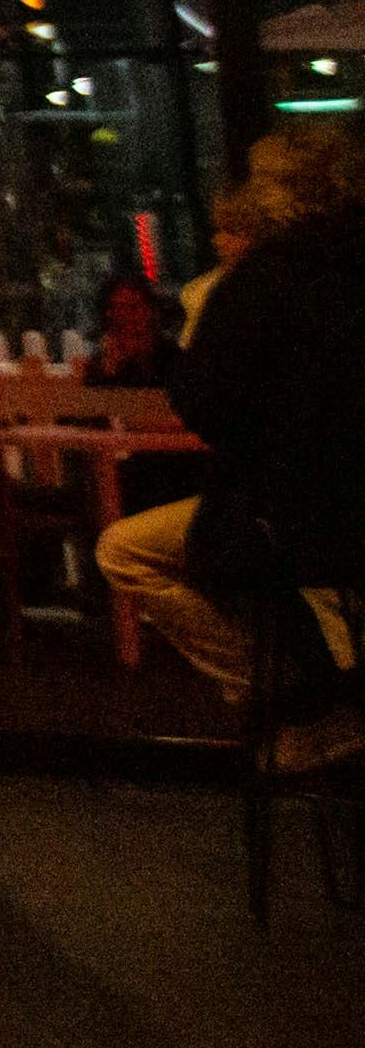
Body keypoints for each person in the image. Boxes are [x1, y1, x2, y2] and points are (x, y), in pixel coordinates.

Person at [98, 171, 365, 773]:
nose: (221, 240)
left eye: (231, 228)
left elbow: (204, 401)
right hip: (336, 508)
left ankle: (291, 699)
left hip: (288, 510)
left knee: (125, 548)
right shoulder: (339, 281)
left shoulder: (254, 287)